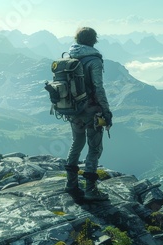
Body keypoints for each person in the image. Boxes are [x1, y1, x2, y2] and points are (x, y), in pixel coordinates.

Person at [63, 27, 112, 201]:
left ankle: (71, 184)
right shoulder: (94, 60)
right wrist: (106, 111)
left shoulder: (70, 57)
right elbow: (98, 88)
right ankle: (91, 190)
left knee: (76, 143)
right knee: (94, 148)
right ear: (94, 40)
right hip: (91, 111)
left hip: (73, 110)